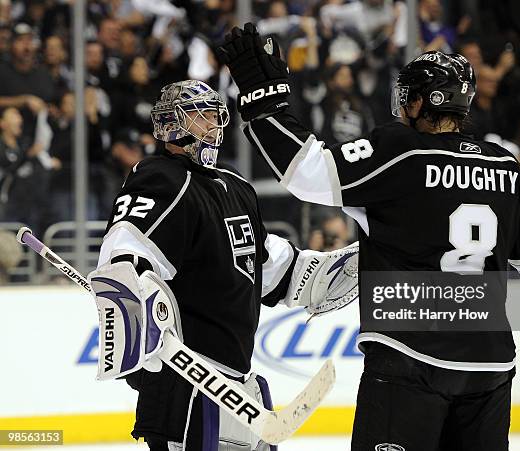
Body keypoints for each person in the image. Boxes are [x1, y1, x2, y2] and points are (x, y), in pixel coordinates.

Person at [219, 24, 520, 451]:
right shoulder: (502, 164)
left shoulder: (400, 150)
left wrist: (265, 103)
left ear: (424, 101)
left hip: (409, 359)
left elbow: (307, 171)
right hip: (488, 366)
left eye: (409, 94)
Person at [88, 79, 359, 451]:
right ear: (171, 125)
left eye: (215, 114)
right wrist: (139, 332)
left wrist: (330, 272)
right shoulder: (159, 178)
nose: (213, 124)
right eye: (200, 115)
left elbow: (268, 269)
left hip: (239, 389)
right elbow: (124, 259)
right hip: (185, 386)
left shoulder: (235, 186)